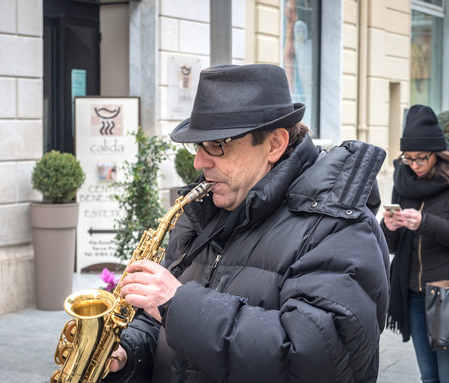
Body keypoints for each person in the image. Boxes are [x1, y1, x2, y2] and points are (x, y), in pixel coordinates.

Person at [104, 64, 390, 383]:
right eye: (198, 145)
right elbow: (158, 323)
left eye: (217, 145)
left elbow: (314, 356)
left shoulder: (339, 226)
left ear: (274, 144)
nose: (199, 161)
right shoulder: (203, 210)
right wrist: (128, 354)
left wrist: (178, 304)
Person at [381, 104, 449, 383]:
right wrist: (389, 227)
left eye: (421, 158)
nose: (414, 165)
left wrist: (425, 223)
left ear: (437, 154)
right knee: (428, 377)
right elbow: (393, 246)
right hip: (413, 293)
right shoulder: (403, 180)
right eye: (408, 158)